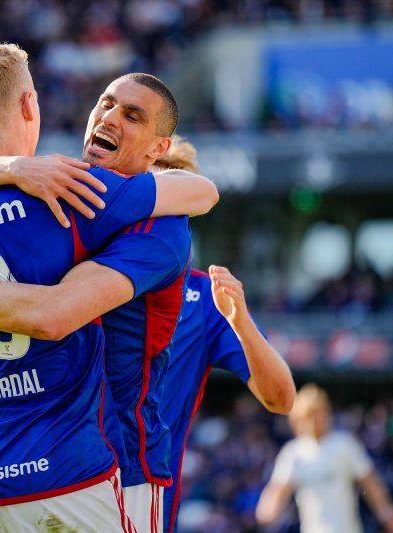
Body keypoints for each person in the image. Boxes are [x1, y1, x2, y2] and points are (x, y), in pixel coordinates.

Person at [0, 40, 217, 533]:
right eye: (105, 103)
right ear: (30, 105)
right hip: (61, 460)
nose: (110, 116)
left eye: (133, 115)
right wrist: (14, 168)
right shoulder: (68, 193)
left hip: (114, 461)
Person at [147, 138, 297, 533]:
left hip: (143, 504)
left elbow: (282, 398)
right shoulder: (82, 276)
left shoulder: (204, 300)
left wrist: (241, 321)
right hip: (58, 488)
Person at [256, 384, 393, 533]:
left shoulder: (344, 445)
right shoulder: (294, 453)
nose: (314, 420)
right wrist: (267, 510)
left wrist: (386, 511)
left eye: (318, 413)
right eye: (309, 414)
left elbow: (370, 482)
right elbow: (277, 491)